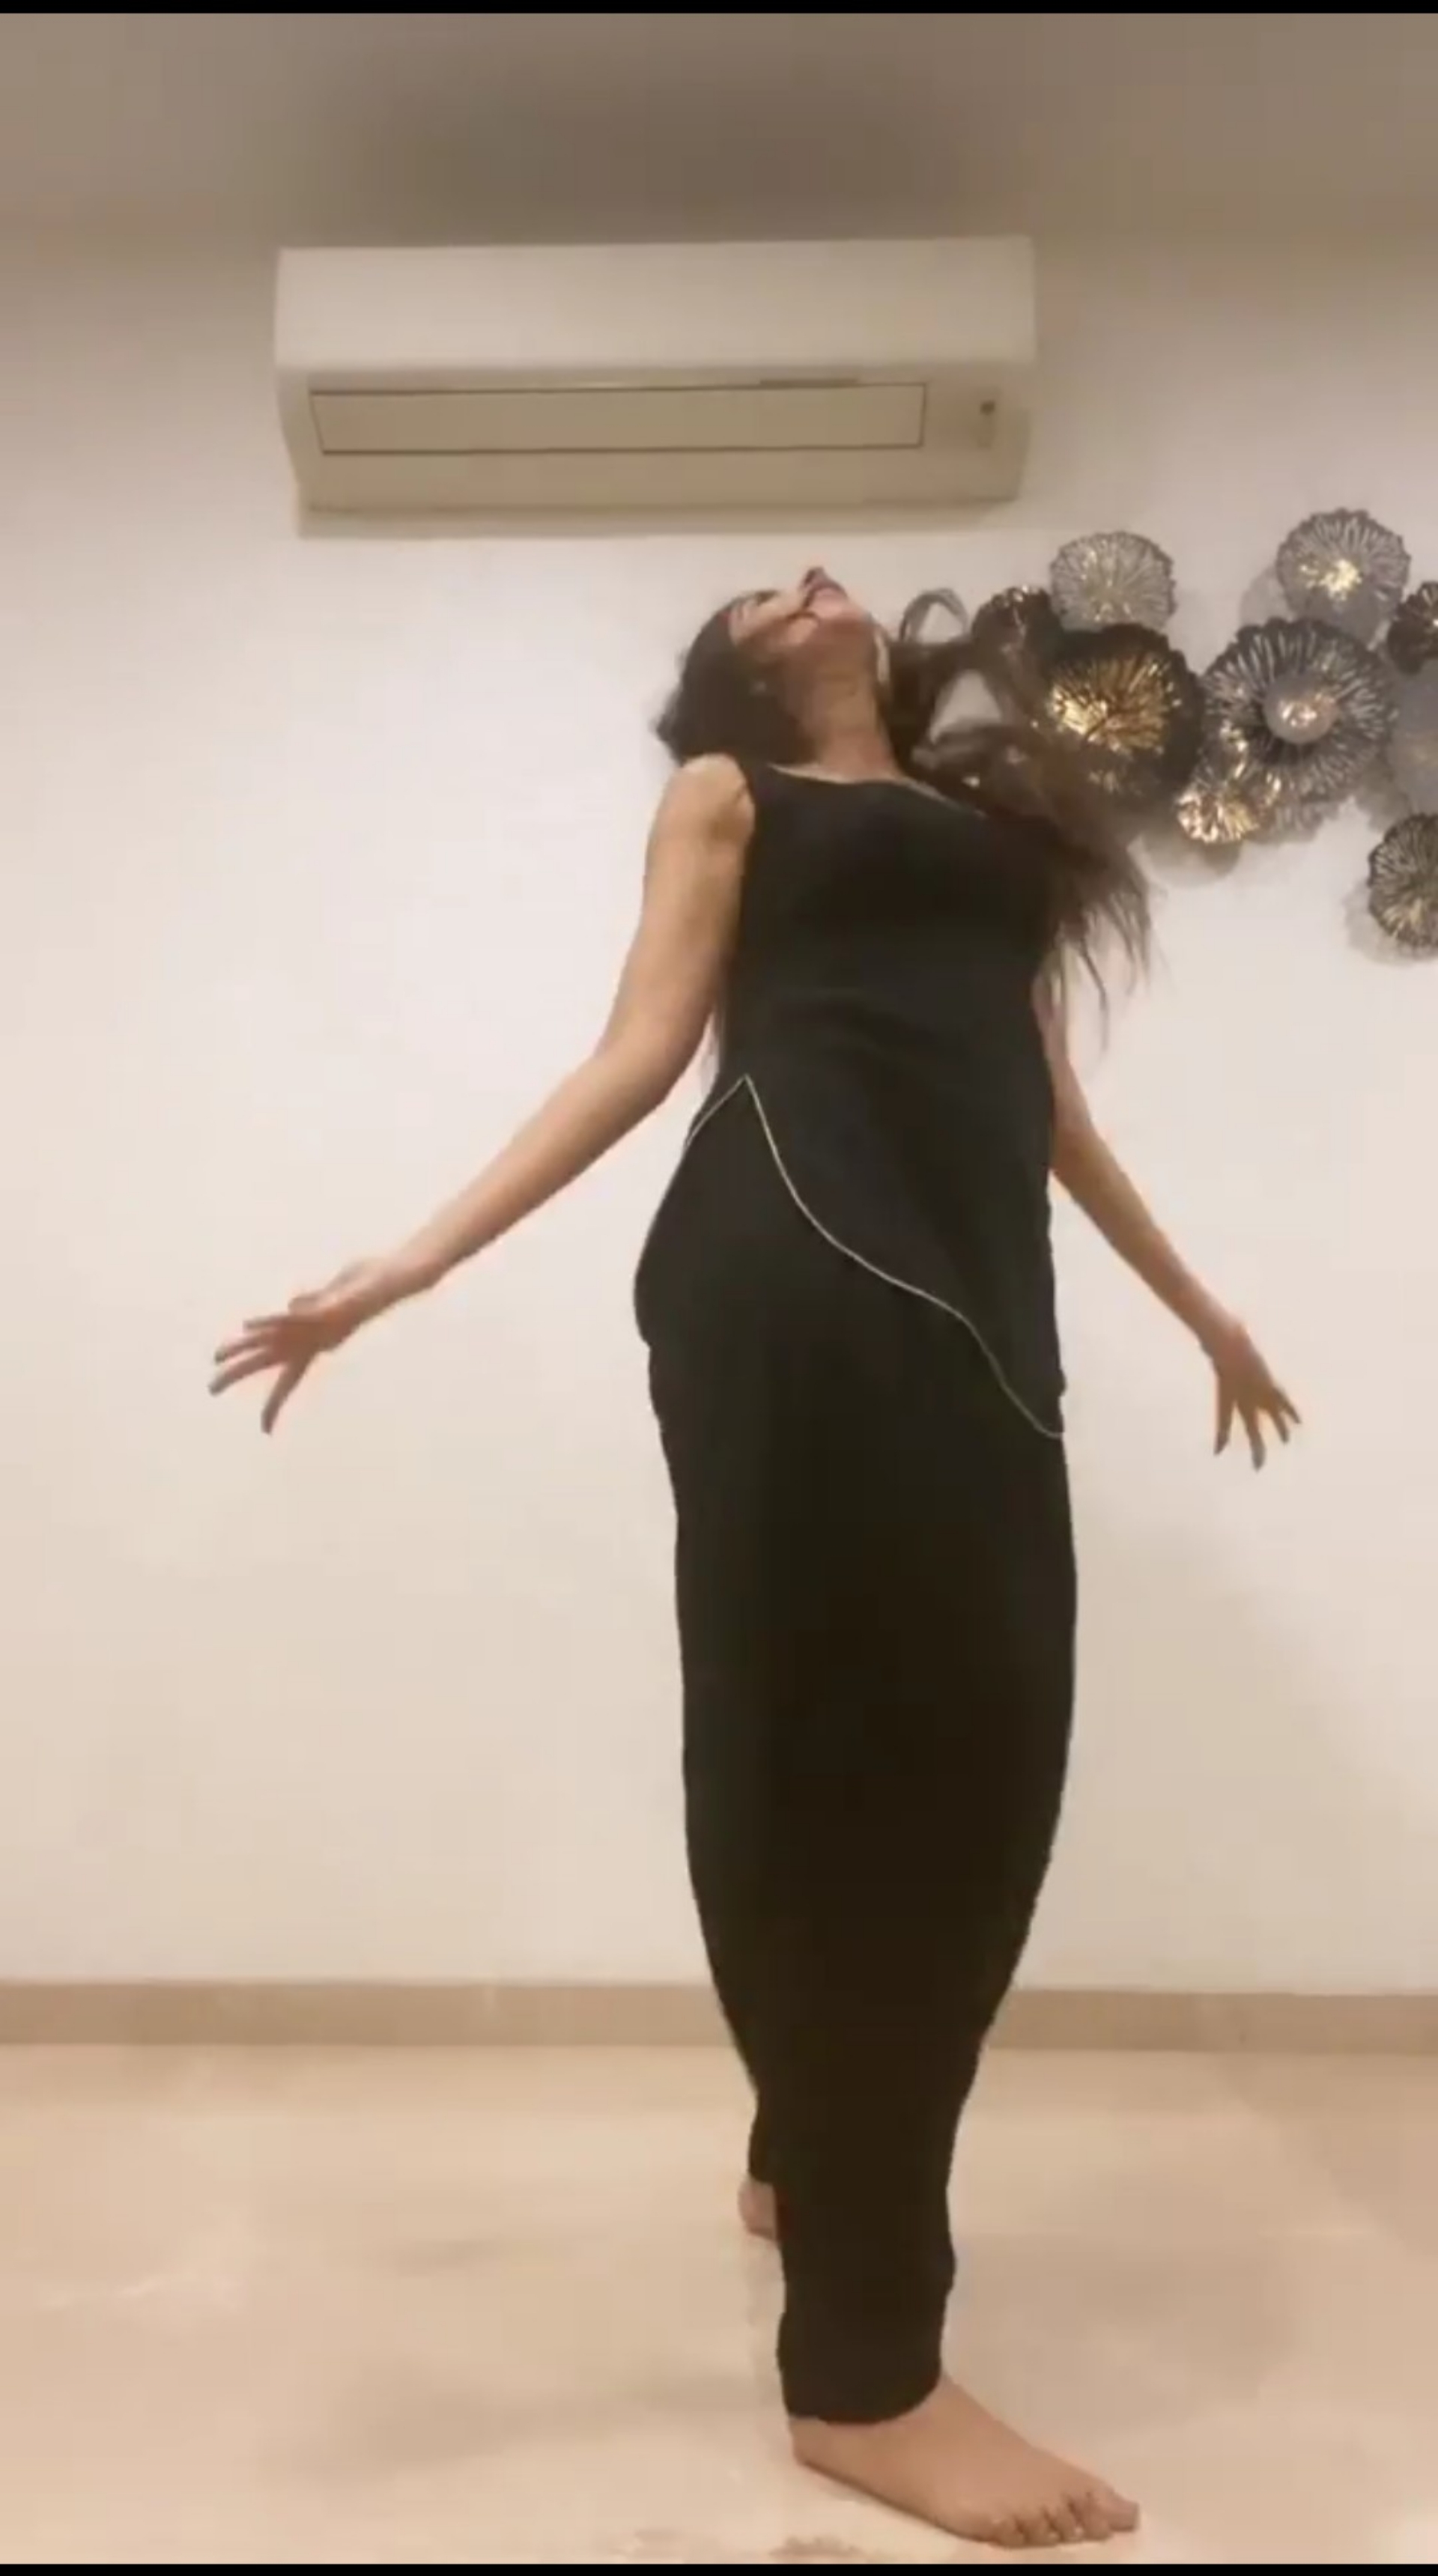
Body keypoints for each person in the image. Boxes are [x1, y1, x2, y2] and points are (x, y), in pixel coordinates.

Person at [211, 571, 1297, 2551]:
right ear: (735, 675)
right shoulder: (733, 797)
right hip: (800, 1263)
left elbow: (1045, 1101)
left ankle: (808, 2146)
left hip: (979, 1309)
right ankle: (866, 2375)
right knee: (883, 1772)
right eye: (759, 596)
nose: (809, 583)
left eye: (817, 575)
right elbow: (640, 1052)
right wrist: (407, 1264)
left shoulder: (977, 836)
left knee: (963, 1742)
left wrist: (1203, 1308)